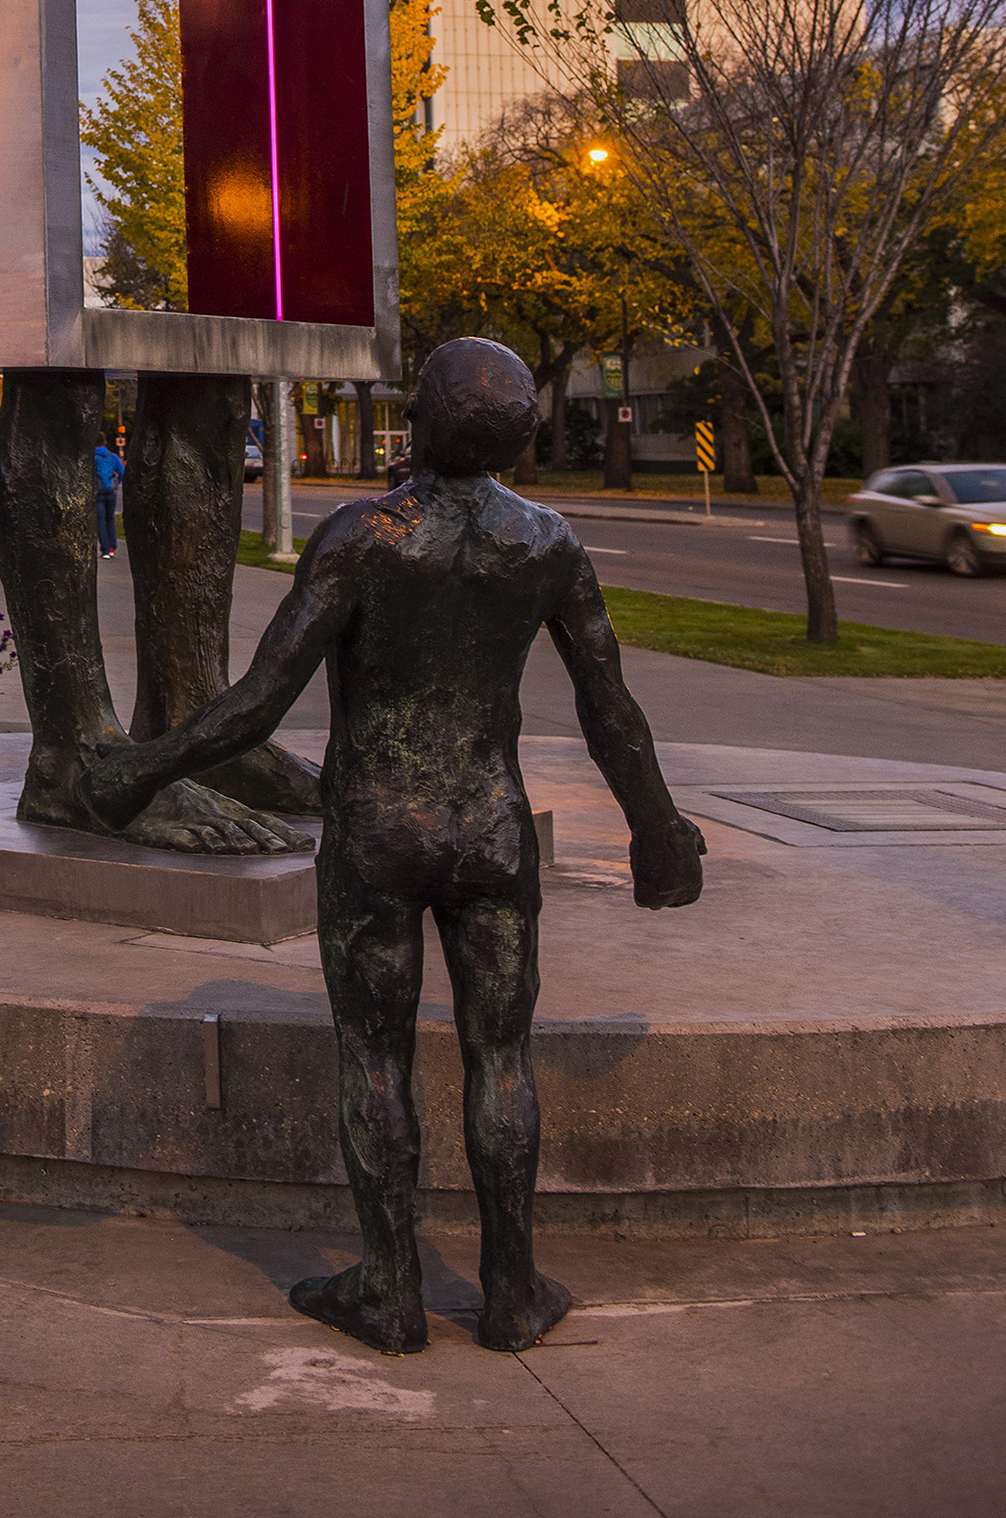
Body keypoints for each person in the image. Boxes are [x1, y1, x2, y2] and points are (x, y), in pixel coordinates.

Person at [69, 338, 708, 1358]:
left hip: (377, 830)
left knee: (375, 1053)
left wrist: (138, 768)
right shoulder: (546, 541)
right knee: (503, 1052)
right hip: (490, 828)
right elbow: (610, 707)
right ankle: (509, 1289)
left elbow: (256, 702)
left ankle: (391, 1287)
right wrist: (657, 828)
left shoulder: (365, 536)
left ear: (423, 419)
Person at [92, 432, 123, 559]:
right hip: (111, 492)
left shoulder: (92, 457)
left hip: (98, 492)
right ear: (105, 442)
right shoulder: (113, 456)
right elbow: (121, 471)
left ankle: (104, 550)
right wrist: (116, 484)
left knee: (100, 521)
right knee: (110, 519)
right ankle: (112, 547)